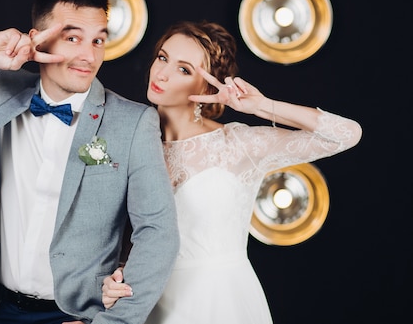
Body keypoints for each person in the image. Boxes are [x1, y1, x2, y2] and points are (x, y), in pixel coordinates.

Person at [0, 0, 179, 324]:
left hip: (76, 315)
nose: (89, 55)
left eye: (98, 40)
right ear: (38, 38)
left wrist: (114, 323)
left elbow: (159, 232)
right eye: (72, 38)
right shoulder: (1, 95)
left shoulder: (133, 122)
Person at [100, 19, 362, 323]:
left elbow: (347, 134)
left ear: (209, 85)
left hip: (223, 298)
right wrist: (115, 277)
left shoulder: (236, 143)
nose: (162, 73)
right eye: (163, 57)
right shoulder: (131, 145)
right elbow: (132, 239)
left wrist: (261, 106)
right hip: (149, 301)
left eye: (183, 69)